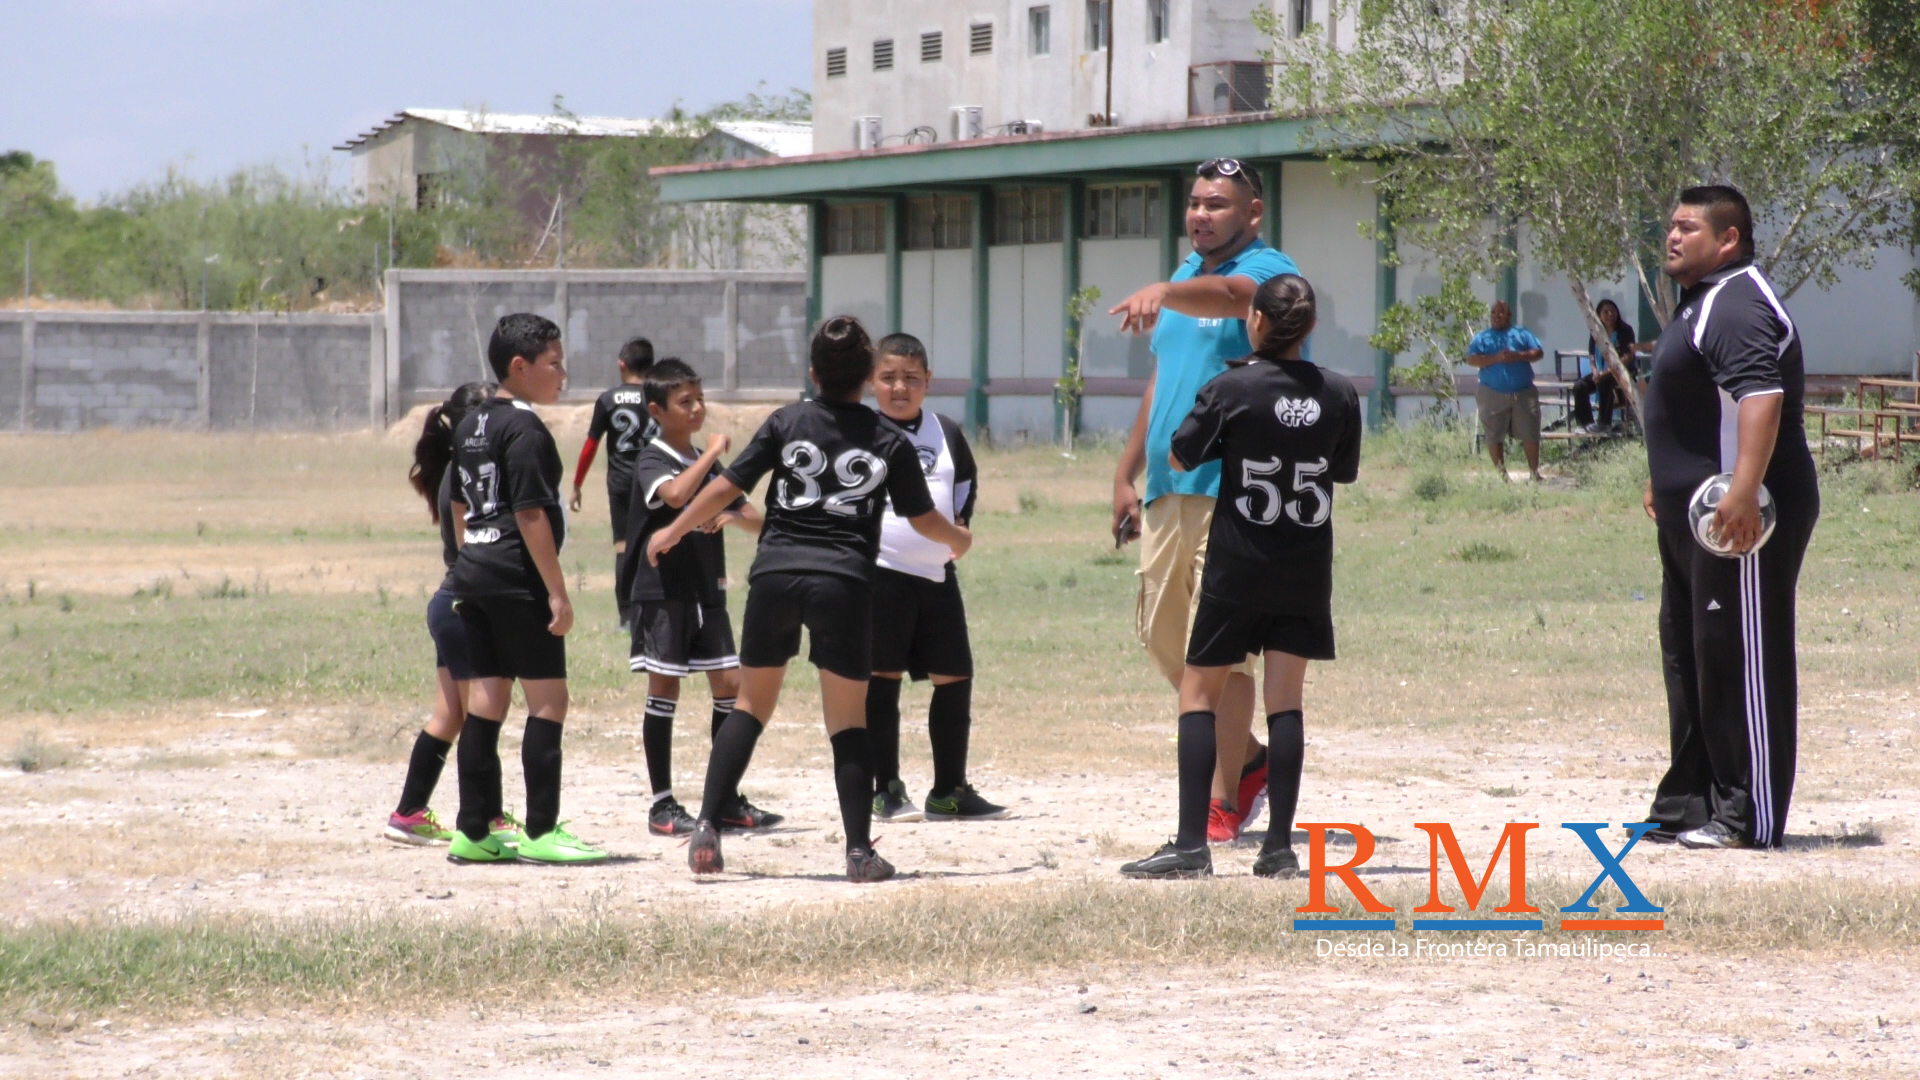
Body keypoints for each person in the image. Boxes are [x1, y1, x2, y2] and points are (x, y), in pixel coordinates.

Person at [646, 315, 972, 883]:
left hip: (775, 575)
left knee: (749, 706)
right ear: (869, 377)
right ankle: (857, 853)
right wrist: (959, 538)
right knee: (847, 723)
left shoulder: (786, 420)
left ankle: (706, 826)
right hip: (843, 583)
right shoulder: (888, 440)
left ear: (814, 371)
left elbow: (727, 486)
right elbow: (923, 518)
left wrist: (672, 531)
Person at [1121, 274, 1361, 879]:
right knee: (1286, 703)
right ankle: (1278, 848)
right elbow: (1344, 469)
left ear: (1254, 321)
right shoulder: (1339, 392)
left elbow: (1179, 454)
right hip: (1304, 568)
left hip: (1237, 563)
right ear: (1307, 328)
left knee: (1198, 694)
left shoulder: (1230, 387)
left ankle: (1190, 846)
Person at [1108, 158, 1298, 844]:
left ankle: (1223, 798)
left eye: (1218, 204)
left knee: (1218, 651)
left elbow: (1237, 296)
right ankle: (1248, 758)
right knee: (1163, 639)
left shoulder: (1268, 268)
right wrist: (1128, 471)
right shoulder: (1183, 278)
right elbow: (1165, 381)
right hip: (1167, 489)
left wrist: (1167, 287)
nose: (1201, 214)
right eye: (1194, 203)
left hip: (1230, 490)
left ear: (1252, 213)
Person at [1640, 185, 1818, 850]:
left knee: (1741, 655)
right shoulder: (1703, 303)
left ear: (1728, 240)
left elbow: (1760, 398)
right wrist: (1662, 478)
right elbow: (1691, 404)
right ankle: (1693, 801)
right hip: (1698, 514)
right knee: (1692, 654)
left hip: (1744, 517)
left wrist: (1742, 494)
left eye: (1688, 227)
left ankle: (1749, 815)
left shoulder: (1739, 301)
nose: (1673, 237)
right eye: (1671, 225)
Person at [445, 313, 607, 865]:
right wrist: (557, 593)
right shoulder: (526, 428)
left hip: (474, 571)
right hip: (517, 577)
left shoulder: (470, 425)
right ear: (521, 366)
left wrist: (472, 555)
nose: (563, 374)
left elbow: (461, 504)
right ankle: (540, 831)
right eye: (554, 363)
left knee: (486, 702)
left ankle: (473, 832)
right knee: (549, 702)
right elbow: (532, 513)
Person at [621, 358, 779, 837]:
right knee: (664, 687)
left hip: (707, 591)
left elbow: (756, 517)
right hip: (663, 592)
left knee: (729, 683)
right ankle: (662, 804)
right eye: (684, 402)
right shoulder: (654, 456)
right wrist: (710, 455)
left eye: (699, 398)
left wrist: (730, 516)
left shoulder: (704, 463)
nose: (697, 408)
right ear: (657, 410)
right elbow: (673, 496)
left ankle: (725, 797)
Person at [864, 333, 1007, 823]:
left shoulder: (944, 430)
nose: (898, 387)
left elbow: (964, 482)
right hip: (880, 575)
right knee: (882, 679)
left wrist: (961, 525)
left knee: (955, 677)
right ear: (871, 381)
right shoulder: (863, 432)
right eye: (888, 378)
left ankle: (949, 790)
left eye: (910, 378)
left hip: (936, 574)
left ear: (927, 381)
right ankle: (885, 789)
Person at [384, 381, 512, 846]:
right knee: (483, 713)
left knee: (450, 716)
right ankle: (486, 817)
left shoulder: (463, 469)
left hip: (449, 603)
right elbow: (467, 549)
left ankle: (409, 812)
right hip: (462, 604)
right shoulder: (466, 473)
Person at [570, 337, 656, 630]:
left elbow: (590, 446)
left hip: (621, 482)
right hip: (656, 480)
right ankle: (657, 613)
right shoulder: (660, 397)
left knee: (624, 546)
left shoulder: (608, 399)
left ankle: (627, 617)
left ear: (622, 364)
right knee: (657, 544)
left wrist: (577, 484)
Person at [1465, 300, 1546, 481]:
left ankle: (1534, 473)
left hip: (1523, 392)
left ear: (1509, 315)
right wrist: (1496, 358)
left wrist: (1518, 356)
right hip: (1492, 393)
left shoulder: (1522, 334)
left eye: (1501, 312)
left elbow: (1538, 353)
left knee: (1531, 432)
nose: (1497, 316)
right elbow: (1472, 359)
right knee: (1494, 434)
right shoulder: (1482, 337)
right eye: (1494, 313)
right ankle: (1502, 476)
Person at [1571, 298, 1638, 433]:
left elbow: (1628, 356)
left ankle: (1604, 423)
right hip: (1601, 371)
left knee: (1605, 382)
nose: (1610, 315)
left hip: (1621, 371)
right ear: (1599, 315)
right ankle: (1586, 423)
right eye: (1605, 312)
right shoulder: (1596, 331)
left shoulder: (1625, 330)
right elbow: (1591, 356)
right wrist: (1595, 371)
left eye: (1613, 311)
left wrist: (1606, 373)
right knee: (1579, 386)